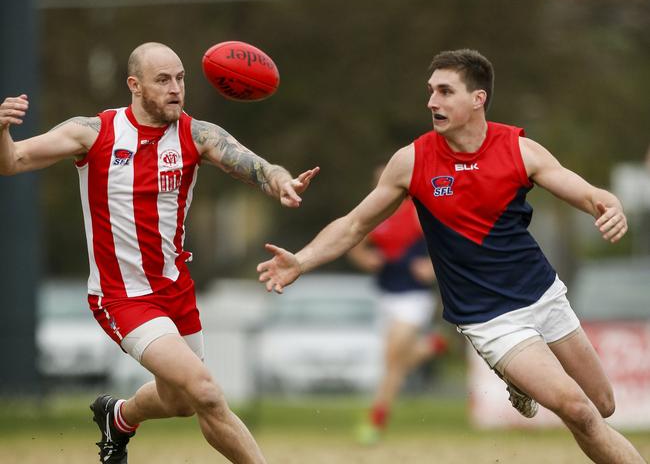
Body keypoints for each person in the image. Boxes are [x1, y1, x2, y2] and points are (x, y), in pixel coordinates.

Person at [257, 49, 647, 463]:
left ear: (477, 99)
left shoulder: (520, 150)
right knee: (579, 412)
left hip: (543, 295)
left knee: (602, 406)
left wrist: (609, 204)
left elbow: (585, 191)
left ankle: (521, 382)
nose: (431, 102)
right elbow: (355, 225)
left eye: (445, 91)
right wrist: (301, 260)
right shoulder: (412, 161)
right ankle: (518, 370)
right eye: (430, 92)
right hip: (489, 318)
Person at [0, 42, 319, 464]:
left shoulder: (195, 134)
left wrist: (281, 182)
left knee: (183, 401)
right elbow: (13, 161)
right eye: (163, 80)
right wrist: (2, 131)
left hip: (175, 290)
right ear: (134, 85)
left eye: (181, 79)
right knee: (205, 391)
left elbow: (254, 164)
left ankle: (119, 415)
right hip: (122, 296)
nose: (176, 89)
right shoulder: (94, 132)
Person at [347, 164, 447, 444]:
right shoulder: (374, 214)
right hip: (385, 295)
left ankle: (377, 419)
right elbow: (353, 241)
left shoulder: (415, 211)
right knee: (394, 360)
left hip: (413, 296)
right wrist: (365, 259)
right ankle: (431, 346)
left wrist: (431, 265)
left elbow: (448, 243)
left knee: (392, 358)